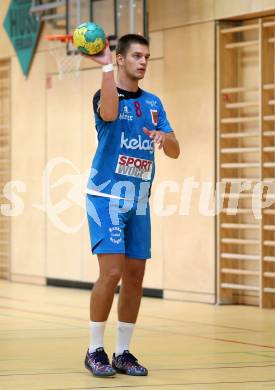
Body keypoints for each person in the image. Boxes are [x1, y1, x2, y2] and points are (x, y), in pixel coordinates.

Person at [84, 34, 180, 377]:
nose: (143, 62)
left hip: (139, 201)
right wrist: (105, 66)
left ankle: (122, 352)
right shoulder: (105, 94)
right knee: (111, 273)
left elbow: (174, 149)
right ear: (121, 59)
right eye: (137, 56)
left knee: (136, 276)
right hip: (107, 198)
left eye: (147, 57)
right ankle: (94, 349)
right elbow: (109, 112)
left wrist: (163, 137)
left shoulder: (154, 102)